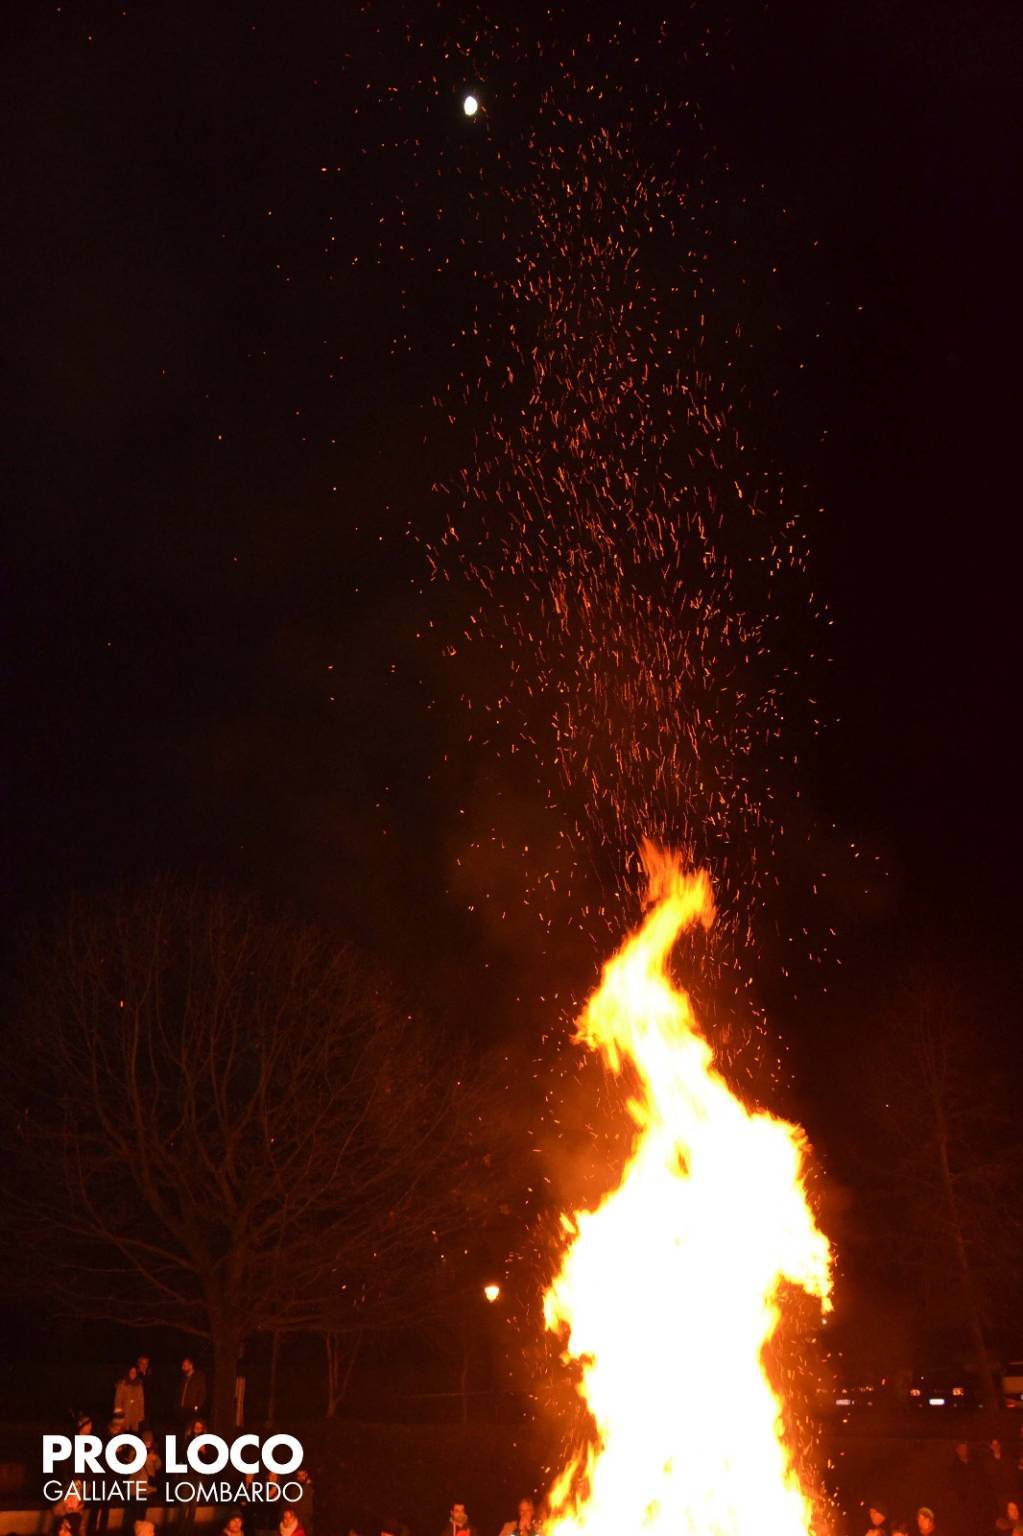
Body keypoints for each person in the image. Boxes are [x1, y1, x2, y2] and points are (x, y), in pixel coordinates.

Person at [115, 1364, 146, 1432]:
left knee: (134, 1431)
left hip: (135, 1412)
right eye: (131, 1372)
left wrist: (141, 1415)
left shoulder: (138, 1384)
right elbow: (118, 1400)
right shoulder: (122, 1384)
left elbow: (141, 1400)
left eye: (134, 1372)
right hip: (125, 1412)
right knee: (124, 1431)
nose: (133, 1374)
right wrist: (118, 1416)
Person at [177, 1358, 207, 1426]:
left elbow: (202, 1393)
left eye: (185, 1365)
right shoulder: (184, 1378)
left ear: (191, 1366)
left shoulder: (198, 1377)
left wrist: (197, 1406)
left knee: (190, 1426)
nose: (182, 1367)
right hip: (182, 1408)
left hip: (191, 1408)